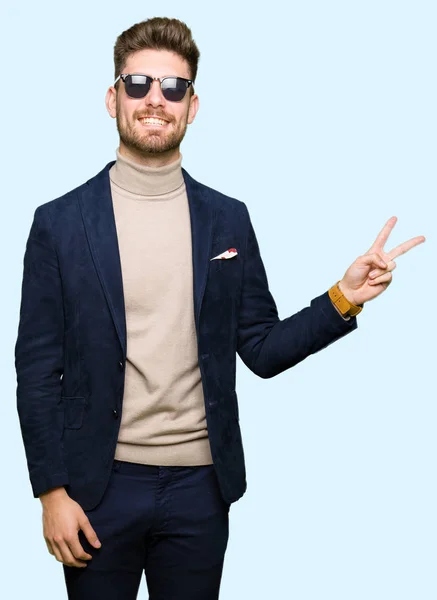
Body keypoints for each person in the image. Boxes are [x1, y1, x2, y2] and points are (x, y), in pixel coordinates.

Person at [14, 16, 425, 600]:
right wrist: (51, 493)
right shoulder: (58, 223)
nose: (155, 100)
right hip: (95, 489)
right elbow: (36, 372)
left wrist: (343, 298)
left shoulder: (227, 219)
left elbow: (260, 347)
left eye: (173, 88)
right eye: (138, 84)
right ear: (113, 98)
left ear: (192, 105)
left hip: (201, 490)